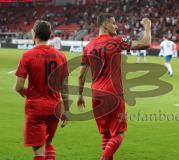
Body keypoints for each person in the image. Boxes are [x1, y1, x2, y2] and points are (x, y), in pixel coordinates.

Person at [77, 13, 151, 160]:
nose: (117, 26)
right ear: (105, 25)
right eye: (114, 23)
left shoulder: (88, 47)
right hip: (113, 93)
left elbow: (81, 76)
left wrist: (79, 96)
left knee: (105, 134)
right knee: (118, 134)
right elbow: (145, 43)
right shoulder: (116, 41)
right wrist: (148, 26)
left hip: (96, 94)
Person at [15, 20, 69, 160]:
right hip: (55, 108)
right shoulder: (61, 56)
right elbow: (64, 87)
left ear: (34, 34)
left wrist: (28, 93)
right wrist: (67, 110)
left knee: (39, 151)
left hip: (36, 109)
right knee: (48, 142)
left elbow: (18, 87)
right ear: (50, 35)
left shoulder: (27, 56)